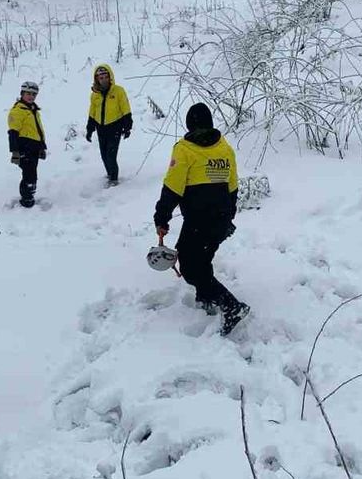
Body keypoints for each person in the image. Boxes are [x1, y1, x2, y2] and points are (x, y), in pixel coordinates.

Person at [153, 102, 250, 336]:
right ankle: (206, 298)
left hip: (199, 219)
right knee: (203, 257)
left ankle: (231, 305)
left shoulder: (184, 149)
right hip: (221, 217)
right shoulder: (225, 148)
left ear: (189, 125)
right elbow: (233, 186)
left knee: (189, 265)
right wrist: (229, 216)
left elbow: (173, 187)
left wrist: (162, 216)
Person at [85, 64, 133, 185]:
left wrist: (127, 127)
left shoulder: (118, 91)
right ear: (97, 79)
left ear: (110, 76)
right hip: (101, 129)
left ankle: (114, 180)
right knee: (104, 156)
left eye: (106, 76)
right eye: (100, 78)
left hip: (115, 128)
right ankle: (109, 174)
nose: (103, 80)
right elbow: (92, 112)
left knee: (111, 156)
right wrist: (90, 129)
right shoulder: (94, 94)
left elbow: (125, 109)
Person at [7, 81, 47, 208]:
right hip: (24, 148)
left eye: (34, 94)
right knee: (29, 174)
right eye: (28, 94)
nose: (31, 97)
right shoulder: (17, 111)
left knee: (32, 173)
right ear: (22, 94)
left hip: (34, 148)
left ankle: (29, 195)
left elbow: (38, 130)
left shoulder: (33, 110)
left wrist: (41, 147)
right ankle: (27, 200)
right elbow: (13, 132)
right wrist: (15, 152)